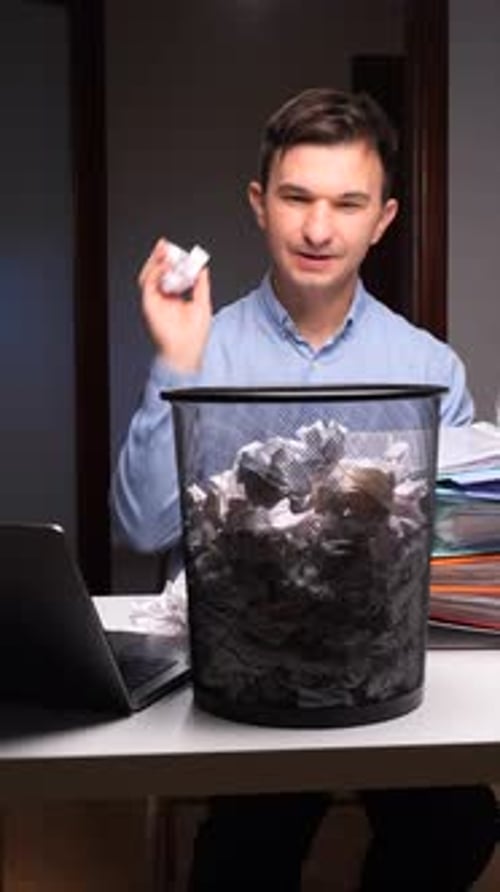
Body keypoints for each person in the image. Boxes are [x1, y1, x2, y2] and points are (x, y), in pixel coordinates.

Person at [113, 88, 497, 891]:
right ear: (260, 204)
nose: (319, 229)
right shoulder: (203, 344)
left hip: (383, 676)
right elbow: (144, 528)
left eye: (347, 203)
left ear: (382, 218)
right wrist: (177, 360)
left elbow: (452, 558)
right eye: (296, 197)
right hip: (247, 678)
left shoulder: (429, 369)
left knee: (461, 821)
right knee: (250, 845)